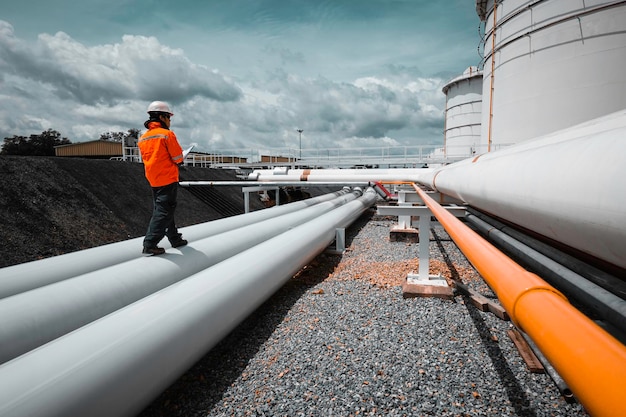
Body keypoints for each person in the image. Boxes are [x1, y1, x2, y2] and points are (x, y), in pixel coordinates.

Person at [138, 101, 188, 255]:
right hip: (167, 177)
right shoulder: (167, 135)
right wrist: (181, 158)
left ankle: (174, 238)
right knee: (164, 211)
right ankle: (150, 243)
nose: (170, 122)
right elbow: (178, 157)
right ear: (162, 117)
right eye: (169, 118)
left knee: (164, 209)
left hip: (154, 178)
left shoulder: (143, 138)